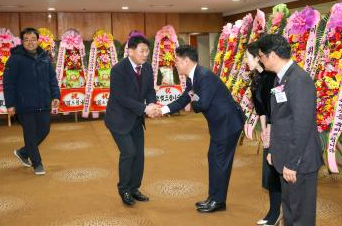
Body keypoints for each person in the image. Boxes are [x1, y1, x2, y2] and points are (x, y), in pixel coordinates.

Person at [160, 45, 245, 213]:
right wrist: (162, 110)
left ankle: (218, 201)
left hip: (228, 124)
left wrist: (193, 98)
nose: (175, 64)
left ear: (186, 61)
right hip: (220, 124)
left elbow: (201, 104)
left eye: (177, 60)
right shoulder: (193, 77)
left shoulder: (204, 77)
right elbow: (186, 97)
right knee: (214, 159)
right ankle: (214, 198)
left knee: (219, 161)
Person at [257, 34, 323, 226]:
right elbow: (281, 119)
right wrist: (275, 153)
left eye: (261, 56)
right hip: (286, 155)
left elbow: (302, 126)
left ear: (273, 55)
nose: (260, 60)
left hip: (299, 161)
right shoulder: (281, 78)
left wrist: (292, 163)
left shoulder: (299, 79)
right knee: (290, 210)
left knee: (300, 214)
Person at [104, 35, 160, 206]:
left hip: (136, 119)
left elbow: (150, 89)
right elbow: (120, 97)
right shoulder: (118, 69)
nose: (145, 54)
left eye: (147, 51)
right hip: (118, 119)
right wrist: (144, 108)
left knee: (139, 156)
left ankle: (135, 188)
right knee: (129, 152)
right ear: (130, 51)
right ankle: (124, 189)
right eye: (142, 51)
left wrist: (151, 103)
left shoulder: (148, 68)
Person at [3, 27, 60, 175]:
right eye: (26, 40)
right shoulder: (15, 58)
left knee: (44, 130)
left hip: (43, 101)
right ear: (22, 42)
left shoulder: (45, 57)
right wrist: (10, 104)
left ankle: (23, 152)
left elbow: (52, 79)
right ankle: (37, 163)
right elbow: (8, 83)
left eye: (33, 39)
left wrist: (55, 95)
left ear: (38, 40)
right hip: (24, 104)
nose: (30, 43)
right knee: (30, 133)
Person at [246, 42, 281, 226]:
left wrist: (269, 130)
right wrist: (263, 129)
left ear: (258, 57)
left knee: (274, 173)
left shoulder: (271, 78)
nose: (246, 60)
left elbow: (276, 109)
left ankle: (275, 214)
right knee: (269, 173)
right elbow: (261, 109)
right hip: (268, 127)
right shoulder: (257, 77)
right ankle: (273, 212)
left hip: (277, 128)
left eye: (248, 57)